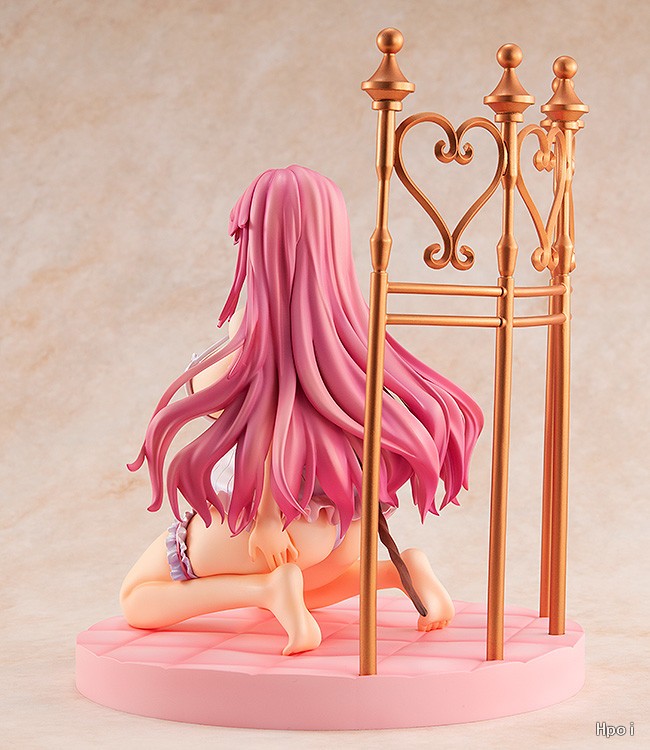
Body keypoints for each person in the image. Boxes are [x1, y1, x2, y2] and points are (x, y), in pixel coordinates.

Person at [120, 165, 483, 655]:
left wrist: (268, 519)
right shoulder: (348, 340)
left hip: (273, 520)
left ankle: (268, 591)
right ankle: (400, 572)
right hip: (343, 528)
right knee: (307, 591)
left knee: (138, 598)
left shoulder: (257, 339)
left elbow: (271, 425)